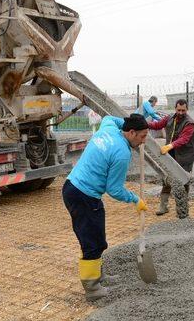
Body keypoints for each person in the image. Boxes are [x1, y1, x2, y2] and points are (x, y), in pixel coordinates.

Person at [62, 113, 149, 301]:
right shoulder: (122, 154)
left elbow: (109, 117)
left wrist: (127, 120)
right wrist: (135, 200)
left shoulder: (108, 128)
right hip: (83, 195)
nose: (144, 141)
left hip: (74, 188)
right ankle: (92, 289)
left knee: (99, 240)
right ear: (131, 132)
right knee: (91, 243)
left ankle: (98, 276)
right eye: (142, 136)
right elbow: (114, 189)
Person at [147, 99, 194, 216]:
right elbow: (157, 125)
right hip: (171, 154)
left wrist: (171, 145)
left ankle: (182, 209)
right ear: (175, 109)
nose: (180, 112)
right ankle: (163, 206)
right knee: (166, 179)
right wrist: (144, 124)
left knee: (183, 180)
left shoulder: (189, 123)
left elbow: (184, 139)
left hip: (186, 156)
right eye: (179, 110)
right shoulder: (170, 118)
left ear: (187, 109)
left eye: (183, 110)